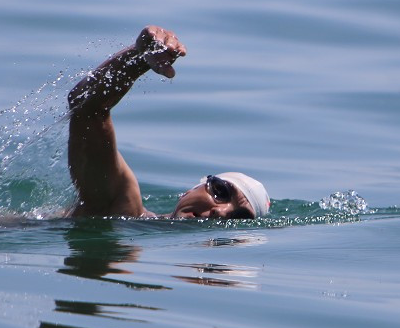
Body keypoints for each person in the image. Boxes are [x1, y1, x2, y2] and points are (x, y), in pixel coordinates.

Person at [67, 25, 270, 219]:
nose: (222, 212)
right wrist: (138, 57)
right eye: (220, 191)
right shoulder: (122, 208)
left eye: (239, 218)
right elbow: (86, 108)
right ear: (190, 190)